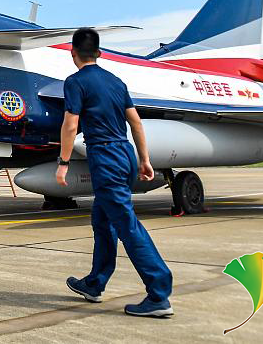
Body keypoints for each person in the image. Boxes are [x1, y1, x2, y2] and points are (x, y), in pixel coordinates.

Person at [57, 28, 173, 318]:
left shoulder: (75, 82)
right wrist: (144, 160)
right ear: (98, 53)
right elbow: (136, 122)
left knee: (126, 225)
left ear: (73, 53)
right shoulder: (116, 82)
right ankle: (95, 283)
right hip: (125, 153)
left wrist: (63, 162)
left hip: (105, 157)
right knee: (102, 220)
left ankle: (159, 293)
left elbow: (71, 125)